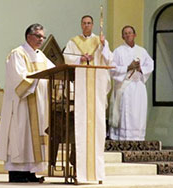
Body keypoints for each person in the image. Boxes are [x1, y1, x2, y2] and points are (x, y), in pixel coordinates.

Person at [0, 23, 54, 183]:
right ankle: (16, 172)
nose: (41, 39)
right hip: (21, 104)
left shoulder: (41, 56)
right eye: (38, 36)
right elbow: (19, 79)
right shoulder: (17, 54)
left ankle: (30, 172)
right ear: (29, 37)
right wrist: (38, 80)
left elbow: (53, 71)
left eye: (43, 36)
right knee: (20, 136)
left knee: (32, 139)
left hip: (38, 104)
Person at [63, 15, 112, 183]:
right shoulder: (73, 42)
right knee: (81, 125)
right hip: (80, 88)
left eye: (89, 23)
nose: (86, 25)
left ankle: (96, 171)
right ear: (80, 25)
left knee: (97, 127)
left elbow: (109, 59)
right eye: (84, 23)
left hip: (95, 89)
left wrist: (104, 45)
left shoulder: (100, 41)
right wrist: (81, 59)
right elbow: (67, 58)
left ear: (92, 25)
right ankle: (78, 167)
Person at [109, 25, 154, 141]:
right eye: (125, 33)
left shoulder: (141, 51)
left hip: (138, 86)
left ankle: (138, 138)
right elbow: (112, 68)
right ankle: (123, 139)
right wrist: (128, 67)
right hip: (125, 86)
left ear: (135, 35)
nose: (128, 35)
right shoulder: (118, 51)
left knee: (138, 113)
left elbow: (150, 64)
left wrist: (140, 69)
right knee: (125, 112)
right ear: (122, 36)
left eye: (130, 32)